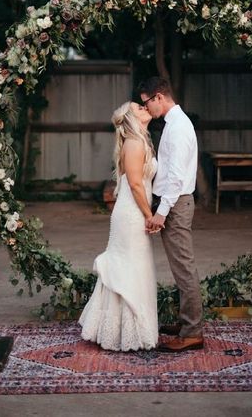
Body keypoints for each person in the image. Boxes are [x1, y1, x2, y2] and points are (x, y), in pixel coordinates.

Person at [79, 101, 159, 351]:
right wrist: (149, 215)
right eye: (138, 108)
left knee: (135, 266)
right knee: (130, 267)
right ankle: (123, 331)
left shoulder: (140, 141)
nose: (144, 107)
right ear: (131, 119)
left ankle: (128, 330)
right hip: (132, 214)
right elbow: (136, 185)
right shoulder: (134, 143)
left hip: (133, 211)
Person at [139, 77, 204, 353]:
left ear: (158, 98)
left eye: (146, 102)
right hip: (173, 203)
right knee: (181, 268)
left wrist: (162, 213)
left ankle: (192, 332)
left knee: (184, 268)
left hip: (176, 206)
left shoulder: (178, 128)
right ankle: (186, 323)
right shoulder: (173, 124)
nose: (146, 108)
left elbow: (176, 178)